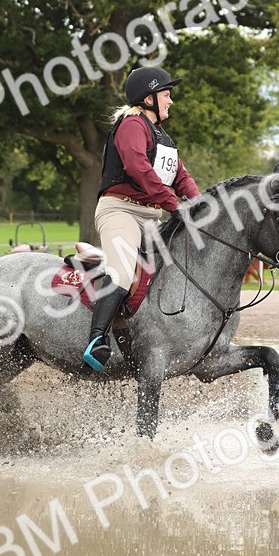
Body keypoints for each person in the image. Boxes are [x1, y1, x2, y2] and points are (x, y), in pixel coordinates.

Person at [82, 66, 200, 372]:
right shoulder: (132, 125)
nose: (171, 101)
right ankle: (96, 340)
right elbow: (138, 168)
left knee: (175, 269)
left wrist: (200, 206)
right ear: (149, 98)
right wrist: (174, 205)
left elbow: (181, 176)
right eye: (166, 95)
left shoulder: (163, 136)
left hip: (151, 215)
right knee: (121, 272)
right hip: (120, 211)